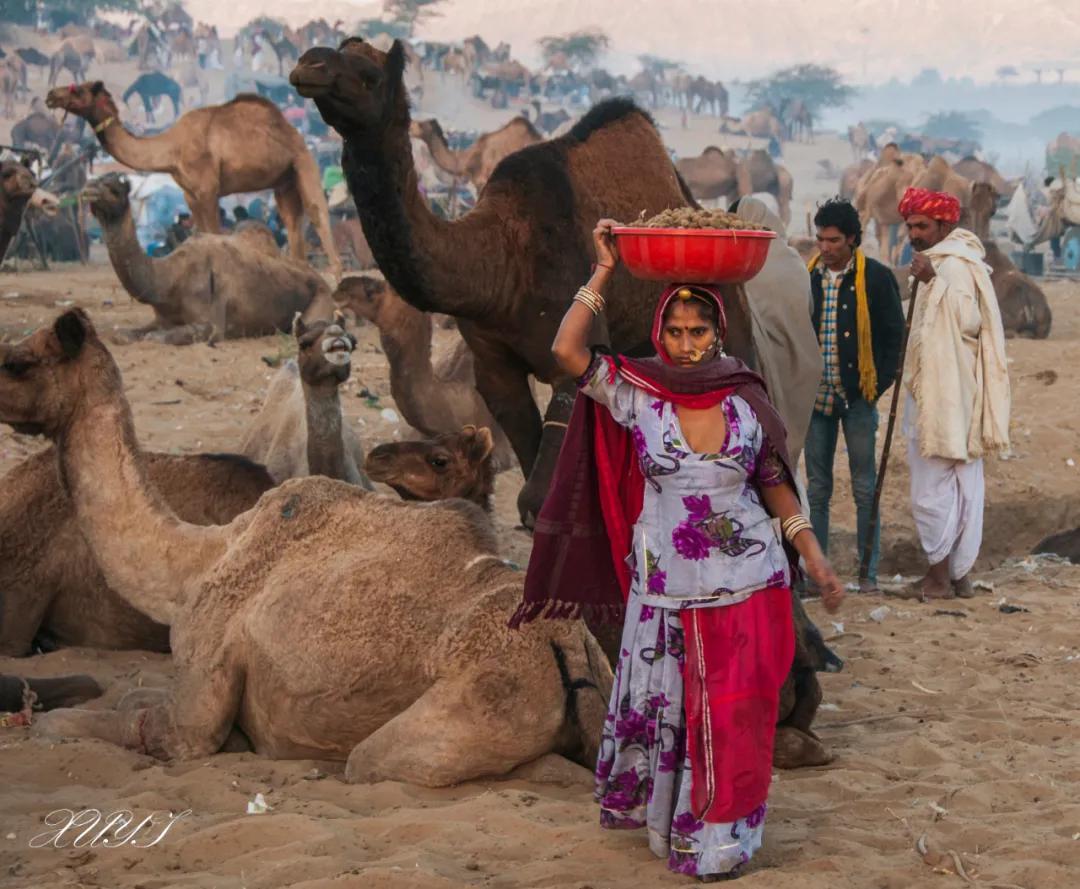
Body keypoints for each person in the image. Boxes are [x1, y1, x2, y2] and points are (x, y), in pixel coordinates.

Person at [515, 220, 844, 881]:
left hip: (749, 578)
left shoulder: (746, 398)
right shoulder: (637, 392)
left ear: (718, 333)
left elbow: (775, 485)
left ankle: (724, 837)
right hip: (665, 587)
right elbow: (565, 349)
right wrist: (604, 268)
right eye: (676, 331)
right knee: (675, 710)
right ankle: (678, 827)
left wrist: (810, 551)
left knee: (735, 712)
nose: (687, 345)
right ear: (660, 333)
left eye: (699, 332)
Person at [894, 188, 1010, 600]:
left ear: (944, 225)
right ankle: (958, 576)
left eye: (921, 226)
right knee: (959, 484)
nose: (913, 233)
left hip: (948, 393)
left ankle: (940, 578)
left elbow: (967, 320)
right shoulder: (948, 262)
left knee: (934, 487)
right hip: (940, 389)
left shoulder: (954, 267)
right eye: (909, 225)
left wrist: (932, 281)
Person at [805, 198, 904, 592]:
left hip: (858, 398)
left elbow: (893, 340)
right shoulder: (807, 278)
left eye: (832, 240)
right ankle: (817, 575)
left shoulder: (876, 279)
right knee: (817, 489)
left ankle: (868, 574)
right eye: (820, 239)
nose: (824, 247)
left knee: (865, 487)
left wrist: (873, 388)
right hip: (816, 399)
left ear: (851, 240)